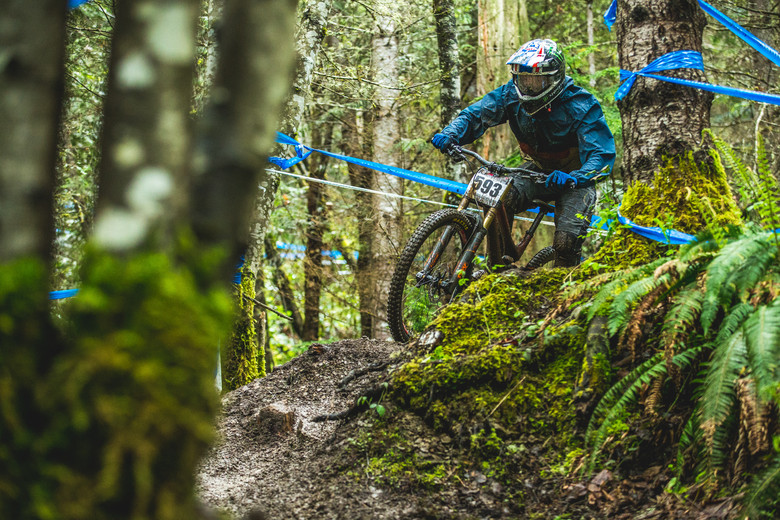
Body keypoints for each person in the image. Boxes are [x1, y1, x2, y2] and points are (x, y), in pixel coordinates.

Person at [431, 39, 616, 267]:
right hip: (536, 172)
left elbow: (601, 155)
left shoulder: (581, 104)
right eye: (523, 78)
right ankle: (498, 267)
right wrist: (451, 133)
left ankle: (565, 291)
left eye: (535, 80)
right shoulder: (510, 94)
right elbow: (476, 114)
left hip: (574, 180)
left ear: (553, 77)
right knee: (499, 199)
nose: (528, 86)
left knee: (566, 244)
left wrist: (577, 177)